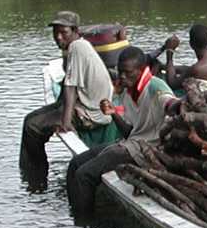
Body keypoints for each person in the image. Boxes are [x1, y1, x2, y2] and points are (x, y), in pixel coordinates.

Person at [65, 45, 178, 217]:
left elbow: (169, 103)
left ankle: (84, 223)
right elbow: (129, 132)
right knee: (75, 164)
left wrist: (180, 105)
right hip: (131, 143)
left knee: (84, 175)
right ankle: (75, 213)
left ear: (141, 71)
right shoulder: (128, 92)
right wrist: (114, 114)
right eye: (120, 72)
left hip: (146, 149)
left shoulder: (155, 86)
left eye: (128, 73)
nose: (123, 77)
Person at [20, 11, 114, 189]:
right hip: (83, 106)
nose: (58, 37)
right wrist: (56, 109)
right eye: (55, 32)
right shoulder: (76, 47)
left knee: (32, 127)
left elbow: (70, 87)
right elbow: (67, 85)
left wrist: (65, 121)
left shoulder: (77, 47)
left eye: (63, 32)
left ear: (75, 31)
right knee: (28, 119)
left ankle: (36, 177)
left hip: (90, 113)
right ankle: (30, 171)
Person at [160, 24, 207, 94]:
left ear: (191, 44)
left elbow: (172, 84)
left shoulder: (197, 69)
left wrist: (169, 52)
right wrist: (165, 67)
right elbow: (189, 70)